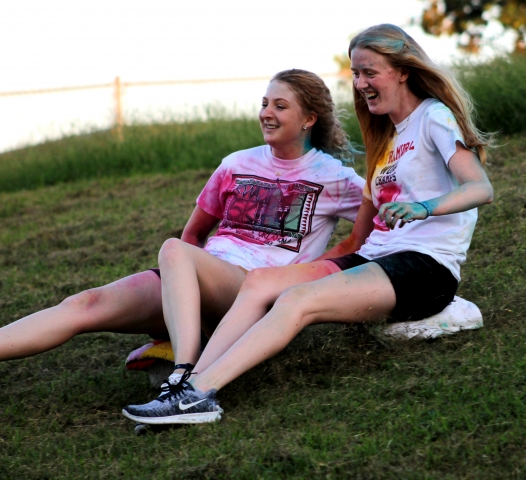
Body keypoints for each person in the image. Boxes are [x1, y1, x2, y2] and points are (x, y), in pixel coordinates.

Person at [122, 23, 494, 425]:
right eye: (355, 73)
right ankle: (184, 386)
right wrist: (305, 269)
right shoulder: (385, 138)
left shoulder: (433, 117)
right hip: (374, 257)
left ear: (402, 70)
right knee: (262, 281)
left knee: (296, 301)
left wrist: (425, 207)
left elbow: (480, 187)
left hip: (424, 265)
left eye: (370, 72)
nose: (361, 83)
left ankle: (200, 395)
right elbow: (357, 236)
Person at [0, 69, 364, 365]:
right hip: (196, 277)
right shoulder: (236, 164)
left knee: (174, 250)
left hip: (251, 291)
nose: (266, 113)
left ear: (309, 119)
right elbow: (195, 235)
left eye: (280, 106)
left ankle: (185, 373)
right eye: (265, 103)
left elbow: (378, 229)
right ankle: (185, 342)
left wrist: (314, 274)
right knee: (85, 304)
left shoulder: (334, 177)